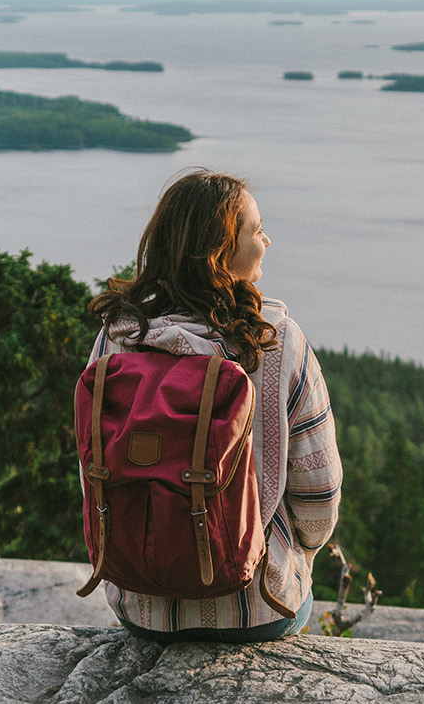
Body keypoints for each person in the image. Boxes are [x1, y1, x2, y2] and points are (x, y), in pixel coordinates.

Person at [86, 168, 341, 643]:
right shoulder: (278, 342)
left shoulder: (118, 335)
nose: (268, 239)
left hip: (143, 609)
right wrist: (295, 556)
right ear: (222, 254)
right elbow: (318, 502)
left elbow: (94, 470)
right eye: (257, 229)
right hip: (259, 611)